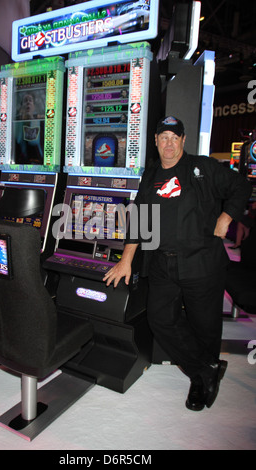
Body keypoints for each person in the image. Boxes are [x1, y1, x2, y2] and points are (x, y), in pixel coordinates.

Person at [103, 116, 252, 412]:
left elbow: (241, 186)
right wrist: (126, 260)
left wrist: (227, 217)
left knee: (204, 325)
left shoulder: (204, 168)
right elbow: (141, 219)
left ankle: (200, 380)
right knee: (160, 319)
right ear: (156, 142)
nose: (169, 143)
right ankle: (206, 367)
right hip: (162, 263)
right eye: (163, 137)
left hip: (202, 263)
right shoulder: (151, 174)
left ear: (183, 141)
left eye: (175, 137)